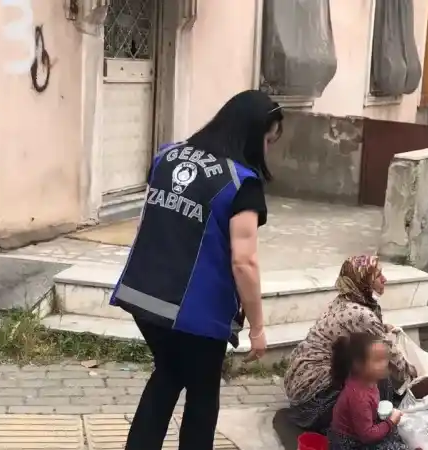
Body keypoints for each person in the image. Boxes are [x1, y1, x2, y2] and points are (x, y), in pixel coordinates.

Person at [110, 90, 284, 450]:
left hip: (143, 295)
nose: (268, 149)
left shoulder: (166, 157)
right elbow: (244, 261)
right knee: (203, 394)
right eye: (268, 140)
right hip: (195, 312)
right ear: (252, 134)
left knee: (168, 375)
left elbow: (151, 221)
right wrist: (258, 327)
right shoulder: (242, 183)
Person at [284, 255, 417, 433]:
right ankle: (371, 425)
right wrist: (415, 375)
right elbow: (390, 354)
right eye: (378, 275)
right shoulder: (361, 315)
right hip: (313, 406)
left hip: (300, 392)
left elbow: (357, 329)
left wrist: (383, 328)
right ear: (363, 281)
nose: (384, 279)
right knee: (379, 370)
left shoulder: (343, 301)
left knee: (367, 360)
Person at [329, 332, 408, 450]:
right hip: (350, 443)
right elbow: (367, 436)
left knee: (396, 435)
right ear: (358, 365)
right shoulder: (358, 396)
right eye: (377, 360)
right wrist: (390, 422)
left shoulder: (368, 380)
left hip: (361, 430)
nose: (384, 363)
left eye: (384, 358)